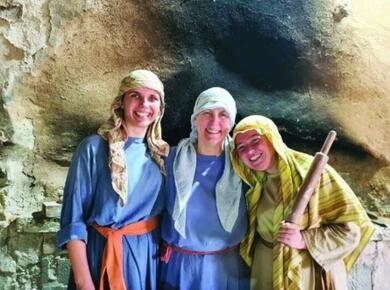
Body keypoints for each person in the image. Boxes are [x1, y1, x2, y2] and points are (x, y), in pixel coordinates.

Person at [230, 115, 375, 290]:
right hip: (264, 269)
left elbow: (353, 230)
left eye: (255, 141)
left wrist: (304, 240)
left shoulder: (312, 172)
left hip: (305, 274)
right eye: (242, 148)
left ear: (272, 138)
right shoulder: (254, 183)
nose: (250, 152)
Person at [57, 69, 169, 290]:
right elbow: (73, 220)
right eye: (135, 95)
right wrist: (83, 283)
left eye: (152, 98)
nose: (144, 104)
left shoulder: (163, 156)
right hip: (100, 256)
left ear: (160, 108)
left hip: (146, 258)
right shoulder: (92, 148)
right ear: (121, 102)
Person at [159, 87, 250, 290]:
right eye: (207, 113)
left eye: (223, 115)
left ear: (232, 121)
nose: (214, 122)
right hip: (179, 269)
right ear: (195, 119)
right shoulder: (170, 159)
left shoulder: (244, 164)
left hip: (228, 269)